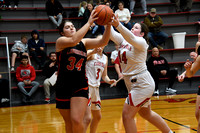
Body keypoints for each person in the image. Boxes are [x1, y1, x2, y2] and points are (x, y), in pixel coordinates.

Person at [109, 14, 174, 132]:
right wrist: (107, 22)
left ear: (142, 33)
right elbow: (111, 34)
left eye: (136, 28)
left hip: (141, 83)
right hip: (133, 83)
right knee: (146, 114)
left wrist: (118, 25)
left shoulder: (142, 42)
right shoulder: (124, 40)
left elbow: (131, 38)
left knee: (127, 116)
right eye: (132, 27)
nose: (133, 28)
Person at [55, 9, 111, 132]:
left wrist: (108, 25)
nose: (71, 28)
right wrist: (89, 23)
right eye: (67, 27)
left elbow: (103, 41)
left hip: (80, 85)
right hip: (63, 85)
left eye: (72, 26)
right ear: (62, 32)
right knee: (69, 122)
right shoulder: (61, 42)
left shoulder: (84, 43)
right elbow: (73, 40)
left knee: (76, 119)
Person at [84, 46, 116, 133]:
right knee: (87, 118)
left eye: (103, 43)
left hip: (96, 89)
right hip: (87, 86)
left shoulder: (105, 57)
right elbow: (81, 57)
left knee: (97, 116)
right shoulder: (91, 53)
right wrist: (92, 51)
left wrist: (109, 81)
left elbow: (104, 76)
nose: (100, 46)